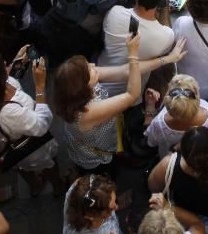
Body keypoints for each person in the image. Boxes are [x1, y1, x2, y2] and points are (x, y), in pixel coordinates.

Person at [51, 33, 185, 173]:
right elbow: (131, 95)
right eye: (89, 68)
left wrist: (169, 59)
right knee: (106, 172)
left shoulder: (73, 92)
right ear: (81, 86)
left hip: (95, 137)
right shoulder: (86, 113)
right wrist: (132, 54)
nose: (93, 65)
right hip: (96, 156)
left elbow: (126, 70)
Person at [0, 49, 61, 196]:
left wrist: (16, 64)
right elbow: (41, 125)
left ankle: (35, 186)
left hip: (15, 146)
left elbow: (12, 82)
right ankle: (58, 188)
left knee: (22, 167)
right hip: (33, 149)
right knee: (48, 165)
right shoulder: (7, 113)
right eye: (2, 66)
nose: (6, 63)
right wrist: (40, 86)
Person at [97, 0, 176, 96]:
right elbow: (167, 32)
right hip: (130, 93)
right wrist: (165, 7)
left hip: (99, 82)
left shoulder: (114, 12)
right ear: (161, 0)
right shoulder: (166, 36)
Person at [145, 74, 208, 158]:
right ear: (197, 95)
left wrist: (150, 106)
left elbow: (151, 143)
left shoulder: (159, 123)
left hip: (172, 164)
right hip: (205, 161)